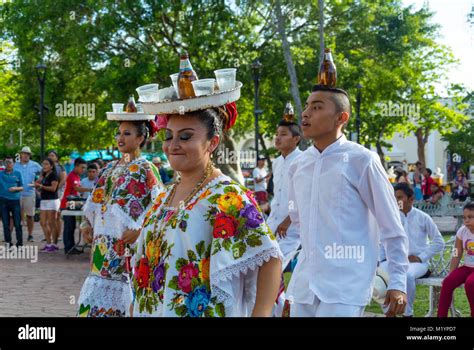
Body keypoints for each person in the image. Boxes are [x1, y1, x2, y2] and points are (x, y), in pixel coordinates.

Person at [132, 105, 282, 317]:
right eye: (168, 136)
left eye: (185, 137)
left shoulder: (227, 196)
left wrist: (261, 313)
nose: (173, 145)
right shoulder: (163, 197)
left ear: (213, 142)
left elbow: (269, 257)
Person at [286, 85, 408, 317]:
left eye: (317, 107)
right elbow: (298, 226)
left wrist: (398, 281)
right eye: (306, 106)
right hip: (304, 284)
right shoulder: (297, 166)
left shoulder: (362, 161)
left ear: (341, 118)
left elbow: (391, 225)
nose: (305, 113)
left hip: (346, 282)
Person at [77, 118, 163, 317]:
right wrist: (85, 224)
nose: (120, 138)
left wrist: (140, 228)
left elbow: (159, 205)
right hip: (102, 243)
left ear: (141, 138)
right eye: (119, 133)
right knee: (98, 295)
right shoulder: (108, 168)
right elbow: (95, 200)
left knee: (126, 293)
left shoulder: (146, 169)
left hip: (127, 245)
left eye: (127, 133)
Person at [379, 183, 444, 316]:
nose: (396, 201)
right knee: (379, 275)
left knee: (407, 275)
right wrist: (381, 259)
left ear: (411, 199)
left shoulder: (423, 217)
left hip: (417, 264)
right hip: (393, 261)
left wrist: (421, 257)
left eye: (400, 197)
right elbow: (381, 241)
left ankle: (408, 314)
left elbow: (439, 242)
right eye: (394, 197)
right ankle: (388, 312)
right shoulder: (391, 218)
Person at [267, 120, 302, 260]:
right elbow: (278, 195)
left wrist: (289, 220)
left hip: (292, 227)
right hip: (272, 222)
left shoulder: (303, 161)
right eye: (276, 134)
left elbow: (303, 196)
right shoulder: (276, 162)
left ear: (296, 138)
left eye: (283, 134)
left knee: (281, 263)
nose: (278, 138)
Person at [438, 202, 474, 317]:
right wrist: (451, 274)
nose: (466, 220)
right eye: (464, 217)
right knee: (447, 282)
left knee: (470, 283)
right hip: (467, 267)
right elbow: (456, 253)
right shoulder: (462, 231)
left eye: (470, 217)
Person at [60, 157, 90, 255]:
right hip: (67, 204)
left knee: (72, 227)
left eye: (85, 168)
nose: (83, 170)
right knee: (68, 227)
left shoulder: (77, 176)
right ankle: (68, 248)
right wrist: (91, 189)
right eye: (82, 167)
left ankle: (72, 247)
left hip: (72, 205)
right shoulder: (72, 176)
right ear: (76, 166)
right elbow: (77, 188)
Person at [14, 146, 42, 242]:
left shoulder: (35, 165)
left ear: (30, 155)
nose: (25, 155)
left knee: (30, 215)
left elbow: (44, 172)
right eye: (24, 153)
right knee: (15, 215)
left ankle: (30, 235)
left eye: (28, 154)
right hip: (16, 194)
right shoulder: (15, 165)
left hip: (30, 193)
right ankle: (14, 235)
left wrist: (38, 182)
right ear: (21, 154)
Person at [34, 158, 60, 252]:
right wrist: (36, 184)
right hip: (44, 200)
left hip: (52, 201)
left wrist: (41, 186)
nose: (44, 166)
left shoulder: (54, 175)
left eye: (46, 164)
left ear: (51, 166)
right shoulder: (44, 174)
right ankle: (48, 243)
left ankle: (54, 244)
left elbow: (53, 188)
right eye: (43, 164)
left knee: (51, 223)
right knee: (42, 222)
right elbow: (38, 182)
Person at [0, 156, 24, 248]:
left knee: (17, 223)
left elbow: (22, 187)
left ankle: (20, 243)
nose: (8, 164)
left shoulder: (18, 173)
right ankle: (8, 243)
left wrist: (15, 188)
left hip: (15, 201)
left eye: (10, 162)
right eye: (6, 162)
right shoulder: (0, 174)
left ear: (13, 163)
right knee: (5, 224)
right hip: (3, 201)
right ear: (4, 164)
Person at [47, 150, 67, 242]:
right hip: (48, 194)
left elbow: (63, 180)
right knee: (49, 216)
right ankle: (50, 235)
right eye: (49, 155)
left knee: (57, 215)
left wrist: (56, 189)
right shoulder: (46, 168)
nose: (50, 157)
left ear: (56, 157)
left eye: (52, 155)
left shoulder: (60, 167)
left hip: (58, 193)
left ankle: (57, 235)